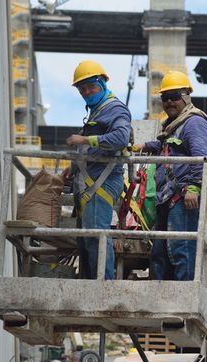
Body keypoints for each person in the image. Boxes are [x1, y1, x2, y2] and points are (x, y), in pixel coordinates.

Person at [136, 71, 207, 281]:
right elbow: (169, 148)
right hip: (167, 199)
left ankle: (184, 301)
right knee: (160, 254)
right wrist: (146, 146)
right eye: (165, 98)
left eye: (174, 96)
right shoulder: (174, 127)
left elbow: (203, 157)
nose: (169, 101)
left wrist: (193, 188)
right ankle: (164, 304)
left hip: (182, 199)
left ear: (186, 96)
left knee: (182, 251)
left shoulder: (194, 123)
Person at [62, 60, 131, 280]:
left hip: (102, 181)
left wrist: (84, 138)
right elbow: (92, 151)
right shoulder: (97, 112)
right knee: (85, 239)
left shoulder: (115, 109)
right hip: (89, 182)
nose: (87, 92)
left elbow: (121, 138)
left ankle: (103, 286)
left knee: (96, 237)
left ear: (102, 84)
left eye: (91, 86)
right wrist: (73, 167)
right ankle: (91, 284)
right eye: (82, 89)